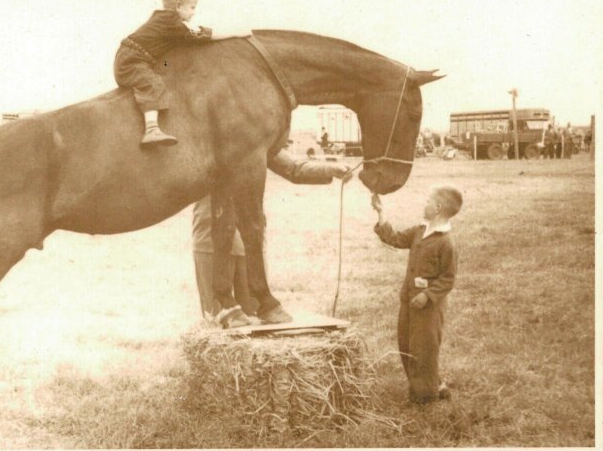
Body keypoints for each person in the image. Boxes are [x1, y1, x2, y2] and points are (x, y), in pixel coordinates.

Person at [193, 150, 353, 327]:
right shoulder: (205, 139)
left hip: (251, 249)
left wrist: (331, 169)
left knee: (257, 321)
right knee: (218, 321)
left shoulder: (252, 138)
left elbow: (293, 168)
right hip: (211, 244)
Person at [114, 0, 249, 147]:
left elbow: (193, 32)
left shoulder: (166, 21)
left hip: (131, 56)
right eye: (192, 7)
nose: (194, 13)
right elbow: (198, 37)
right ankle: (151, 130)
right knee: (152, 84)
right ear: (178, 6)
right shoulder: (170, 22)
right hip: (131, 61)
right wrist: (236, 33)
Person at [370, 185, 462, 404]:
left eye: (428, 200)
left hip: (428, 307)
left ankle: (426, 398)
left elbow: (448, 278)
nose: (424, 203)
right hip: (409, 301)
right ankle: (430, 385)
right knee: (407, 345)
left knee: (425, 349)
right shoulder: (420, 231)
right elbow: (394, 238)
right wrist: (381, 213)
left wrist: (428, 295)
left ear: (438, 207)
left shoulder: (446, 242)